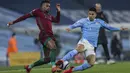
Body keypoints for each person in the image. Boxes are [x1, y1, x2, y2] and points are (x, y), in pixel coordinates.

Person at [54, 7, 127, 73]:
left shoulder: (99, 22)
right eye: (89, 14)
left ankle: (71, 70)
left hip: (92, 46)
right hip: (84, 41)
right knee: (79, 49)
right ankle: (61, 61)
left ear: (95, 14)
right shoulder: (83, 21)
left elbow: (109, 27)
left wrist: (119, 28)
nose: (91, 15)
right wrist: (70, 27)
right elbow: (75, 24)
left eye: (92, 14)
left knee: (91, 63)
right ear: (88, 14)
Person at [7, 0, 60, 73]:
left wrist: (58, 12)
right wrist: (13, 22)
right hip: (44, 35)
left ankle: (29, 66)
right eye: (47, 6)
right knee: (53, 47)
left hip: (50, 36)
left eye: (49, 6)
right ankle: (54, 67)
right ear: (42, 6)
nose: (48, 8)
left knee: (47, 59)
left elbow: (57, 20)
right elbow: (25, 16)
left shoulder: (49, 16)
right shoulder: (37, 11)